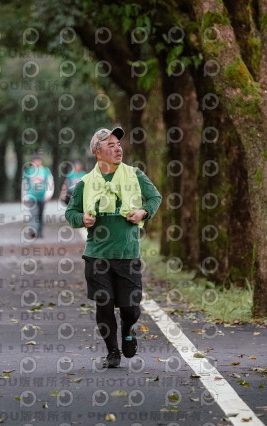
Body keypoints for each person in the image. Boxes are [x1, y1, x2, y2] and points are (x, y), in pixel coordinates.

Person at [65, 127, 162, 368]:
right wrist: (82, 219)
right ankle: (112, 352)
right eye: (110, 145)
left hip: (127, 254)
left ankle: (128, 330)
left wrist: (143, 211)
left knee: (130, 308)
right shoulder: (85, 183)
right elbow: (71, 212)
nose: (117, 148)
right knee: (104, 304)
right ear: (98, 153)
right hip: (96, 255)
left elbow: (155, 198)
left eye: (118, 143)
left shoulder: (135, 175)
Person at [21, 153, 54, 238]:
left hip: (42, 197)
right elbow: (24, 183)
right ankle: (33, 230)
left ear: (41, 161)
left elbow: (50, 182)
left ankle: (39, 232)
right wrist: (24, 195)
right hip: (31, 196)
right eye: (35, 161)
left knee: (40, 215)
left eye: (38, 160)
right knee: (34, 213)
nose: (37, 162)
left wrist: (48, 194)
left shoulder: (45, 171)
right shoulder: (28, 171)